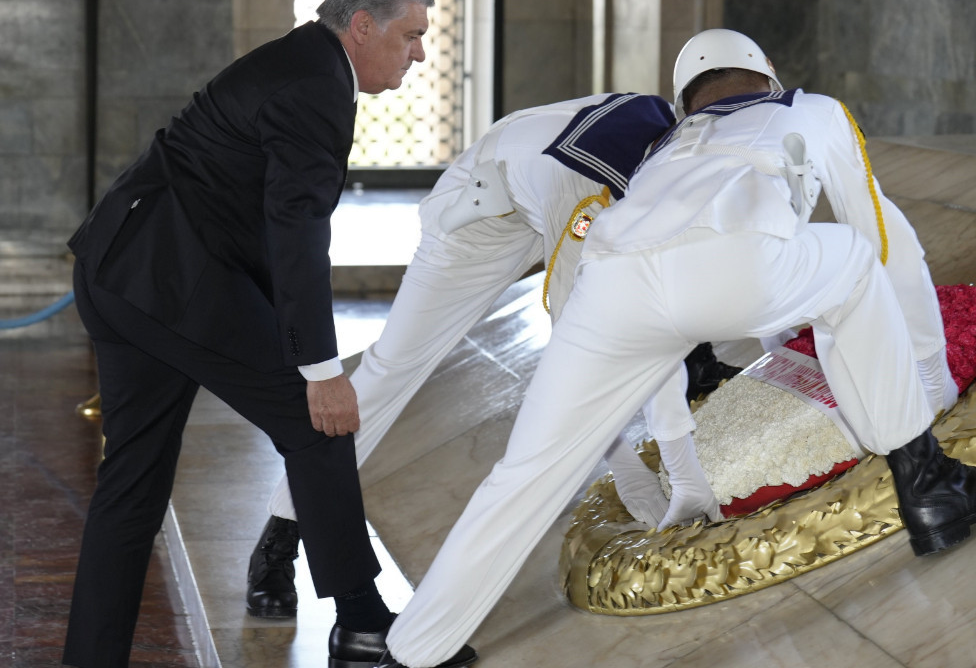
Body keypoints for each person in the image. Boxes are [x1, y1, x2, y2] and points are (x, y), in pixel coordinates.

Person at [370, 28, 972, 668]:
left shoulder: (664, 146)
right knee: (855, 260)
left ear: (684, 102)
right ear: (768, 71)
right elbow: (883, 237)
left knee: (521, 477)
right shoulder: (812, 109)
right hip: (736, 267)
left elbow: (646, 307)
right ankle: (926, 480)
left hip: (611, 288)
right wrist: (930, 371)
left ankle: (412, 651)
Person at [61, 0, 475, 668]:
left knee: (133, 486)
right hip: (170, 279)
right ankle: (366, 626)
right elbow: (297, 230)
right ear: (362, 24)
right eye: (410, 35)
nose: (419, 52)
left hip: (122, 264)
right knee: (321, 423)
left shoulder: (305, 64)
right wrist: (319, 369)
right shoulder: (315, 85)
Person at [243, 91, 754, 619]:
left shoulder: (678, 149)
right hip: (482, 215)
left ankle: (700, 368)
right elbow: (588, 333)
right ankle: (280, 537)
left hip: (548, 190)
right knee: (391, 369)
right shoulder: (592, 180)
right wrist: (632, 462)